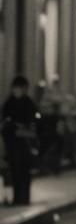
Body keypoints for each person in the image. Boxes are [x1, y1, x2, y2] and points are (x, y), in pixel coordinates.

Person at [2, 75, 40, 206]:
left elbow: (34, 121)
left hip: (25, 143)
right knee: (15, 171)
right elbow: (5, 121)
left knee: (24, 171)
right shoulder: (9, 103)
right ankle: (17, 197)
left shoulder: (28, 103)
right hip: (13, 142)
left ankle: (25, 197)